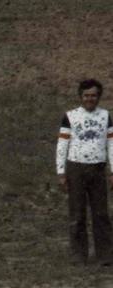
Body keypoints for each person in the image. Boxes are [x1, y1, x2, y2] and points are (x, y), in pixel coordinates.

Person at [56, 78, 113, 264]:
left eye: (94, 95)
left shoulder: (105, 116)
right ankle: (78, 255)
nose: (90, 99)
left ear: (99, 97)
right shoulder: (70, 116)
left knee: (101, 214)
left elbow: (111, 144)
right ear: (81, 96)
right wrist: (61, 172)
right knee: (77, 214)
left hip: (98, 169)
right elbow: (62, 144)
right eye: (86, 95)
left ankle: (105, 255)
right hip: (76, 169)